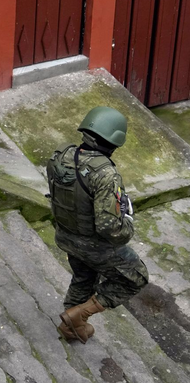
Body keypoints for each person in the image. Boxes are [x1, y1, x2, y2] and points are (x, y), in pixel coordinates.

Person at [47, 106, 148, 343]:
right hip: (92, 245)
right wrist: (128, 222)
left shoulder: (60, 155)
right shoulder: (104, 174)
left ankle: (70, 327)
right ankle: (79, 314)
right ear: (115, 141)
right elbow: (109, 227)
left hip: (66, 236)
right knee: (136, 277)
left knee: (84, 277)